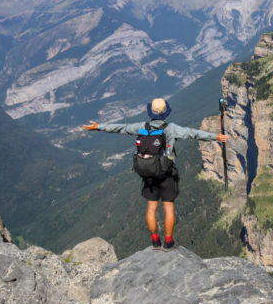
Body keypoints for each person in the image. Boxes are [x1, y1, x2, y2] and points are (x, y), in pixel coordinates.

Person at [82, 97, 228, 251]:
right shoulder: (171, 129)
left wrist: (98, 127)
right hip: (166, 174)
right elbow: (193, 133)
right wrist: (216, 137)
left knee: (151, 208)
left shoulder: (142, 126)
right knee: (168, 208)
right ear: (165, 112)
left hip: (148, 174)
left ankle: (155, 241)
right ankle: (168, 241)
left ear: (151, 111)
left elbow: (121, 128)